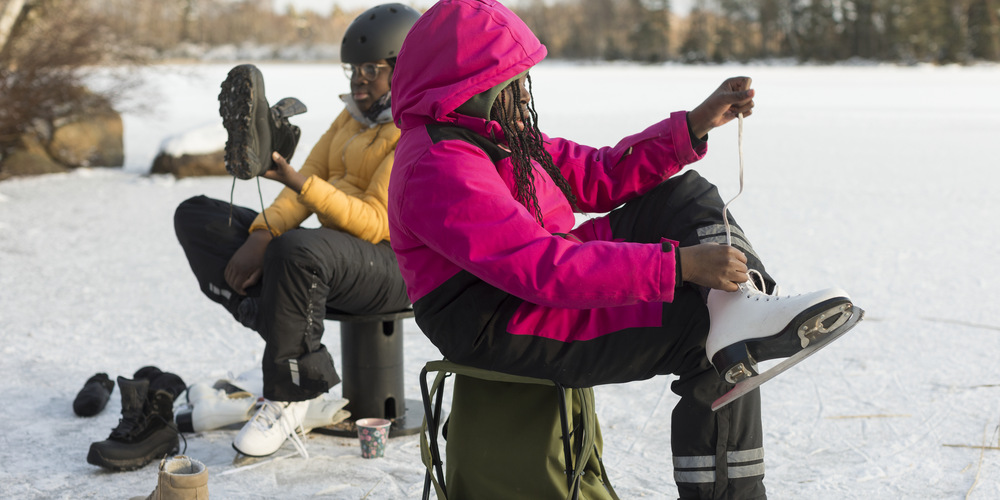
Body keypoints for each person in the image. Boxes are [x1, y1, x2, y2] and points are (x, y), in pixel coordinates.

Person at [388, 1, 859, 498]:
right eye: (513, 79)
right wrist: (677, 267)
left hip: (536, 279)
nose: (524, 91)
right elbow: (540, 268)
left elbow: (598, 174)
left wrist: (693, 125)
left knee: (684, 195)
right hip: (499, 318)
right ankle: (732, 332)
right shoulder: (439, 163)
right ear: (472, 85)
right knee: (703, 336)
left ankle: (743, 303)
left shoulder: (496, 136)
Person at [173, 3, 421, 458]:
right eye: (353, 68)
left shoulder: (413, 131)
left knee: (297, 250)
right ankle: (265, 312)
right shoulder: (352, 119)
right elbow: (304, 179)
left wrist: (302, 189)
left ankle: (293, 393)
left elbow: (374, 220)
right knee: (198, 215)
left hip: (392, 264)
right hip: (327, 257)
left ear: (404, 70)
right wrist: (262, 233)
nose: (359, 78)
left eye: (372, 68)